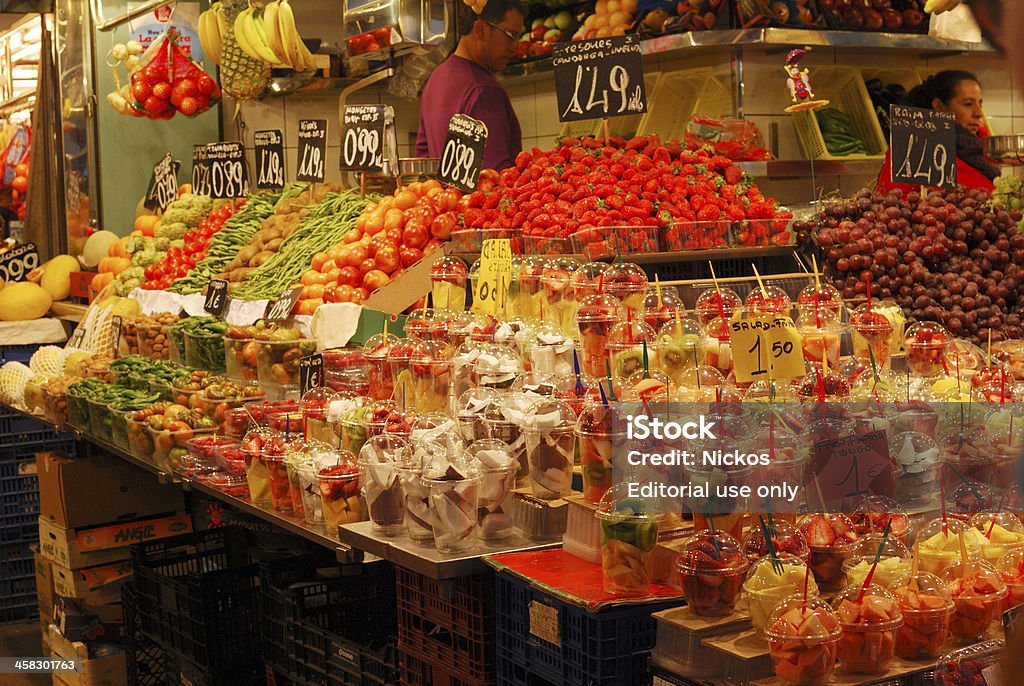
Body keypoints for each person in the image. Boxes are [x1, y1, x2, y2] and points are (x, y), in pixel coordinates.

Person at [415, 0, 525, 171]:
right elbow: (493, 177)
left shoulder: (434, 80)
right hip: (478, 198)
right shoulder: (484, 91)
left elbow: (424, 158)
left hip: (444, 196)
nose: (515, 48)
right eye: (511, 35)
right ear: (481, 30)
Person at [875, 70, 999, 195]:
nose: (978, 113)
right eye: (968, 104)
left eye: (980, 103)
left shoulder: (983, 146)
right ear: (939, 106)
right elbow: (891, 201)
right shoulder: (913, 147)